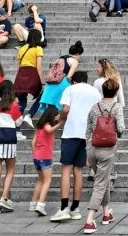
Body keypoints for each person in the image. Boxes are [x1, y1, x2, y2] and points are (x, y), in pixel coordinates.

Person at [50, 71, 101, 222]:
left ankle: (64, 208)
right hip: (86, 135)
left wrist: (60, 117)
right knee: (78, 171)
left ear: (74, 81)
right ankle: (75, 208)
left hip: (71, 133)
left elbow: (65, 109)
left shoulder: (70, 89)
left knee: (66, 169)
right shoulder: (95, 92)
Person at [82, 78, 125, 234]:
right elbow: (121, 128)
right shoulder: (117, 107)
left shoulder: (95, 107)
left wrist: (88, 148)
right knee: (100, 183)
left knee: (103, 179)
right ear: (115, 92)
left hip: (92, 148)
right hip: (107, 149)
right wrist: (116, 133)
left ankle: (106, 213)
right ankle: (89, 220)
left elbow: (87, 130)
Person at [0, 80, 22, 214]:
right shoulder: (13, 104)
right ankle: (4, 198)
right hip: (9, 137)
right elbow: (18, 122)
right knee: (10, 170)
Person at [30, 105, 60, 216]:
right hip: (45, 158)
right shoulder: (47, 125)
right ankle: (40, 205)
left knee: (41, 180)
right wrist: (60, 123)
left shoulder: (39, 127)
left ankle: (33, 203)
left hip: (37, 158)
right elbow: (50, 130)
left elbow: (33, 143)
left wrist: (35, 154)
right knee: (47, 181)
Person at [13, 29, 44, 117]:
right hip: (32, 74)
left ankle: (17, 124)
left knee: (22, 99)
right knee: (42, 94)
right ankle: (30, 114)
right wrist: (42, 82)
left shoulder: (22, 48)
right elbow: (38, 66)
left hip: (21, 74)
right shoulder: (38, 49)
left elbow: (18, 66)